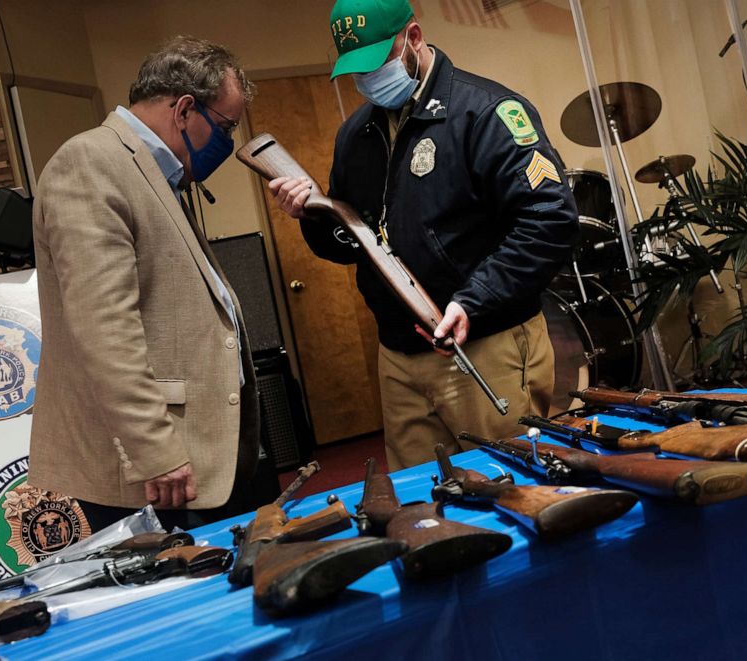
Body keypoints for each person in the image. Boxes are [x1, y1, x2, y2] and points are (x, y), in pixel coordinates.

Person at [271, 0, 578, 470]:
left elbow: (550, 219)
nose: (368, 79)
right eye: (357, 70)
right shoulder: (356, 135)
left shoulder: (487, 111)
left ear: (413, 38)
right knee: (422, 507)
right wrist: (312, 214)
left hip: (483, 341)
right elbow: (355, 242)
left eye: (377, 63)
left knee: (510, 485)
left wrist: (474, 299)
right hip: (399, 354)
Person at [29, 36, 280, 532]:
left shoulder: (155, 171)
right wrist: (154, 449)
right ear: (185, 109)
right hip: (159, 469)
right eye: (225, 126)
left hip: (202, 451)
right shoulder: (91, 163)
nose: (227, 143)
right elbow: (104, 328)